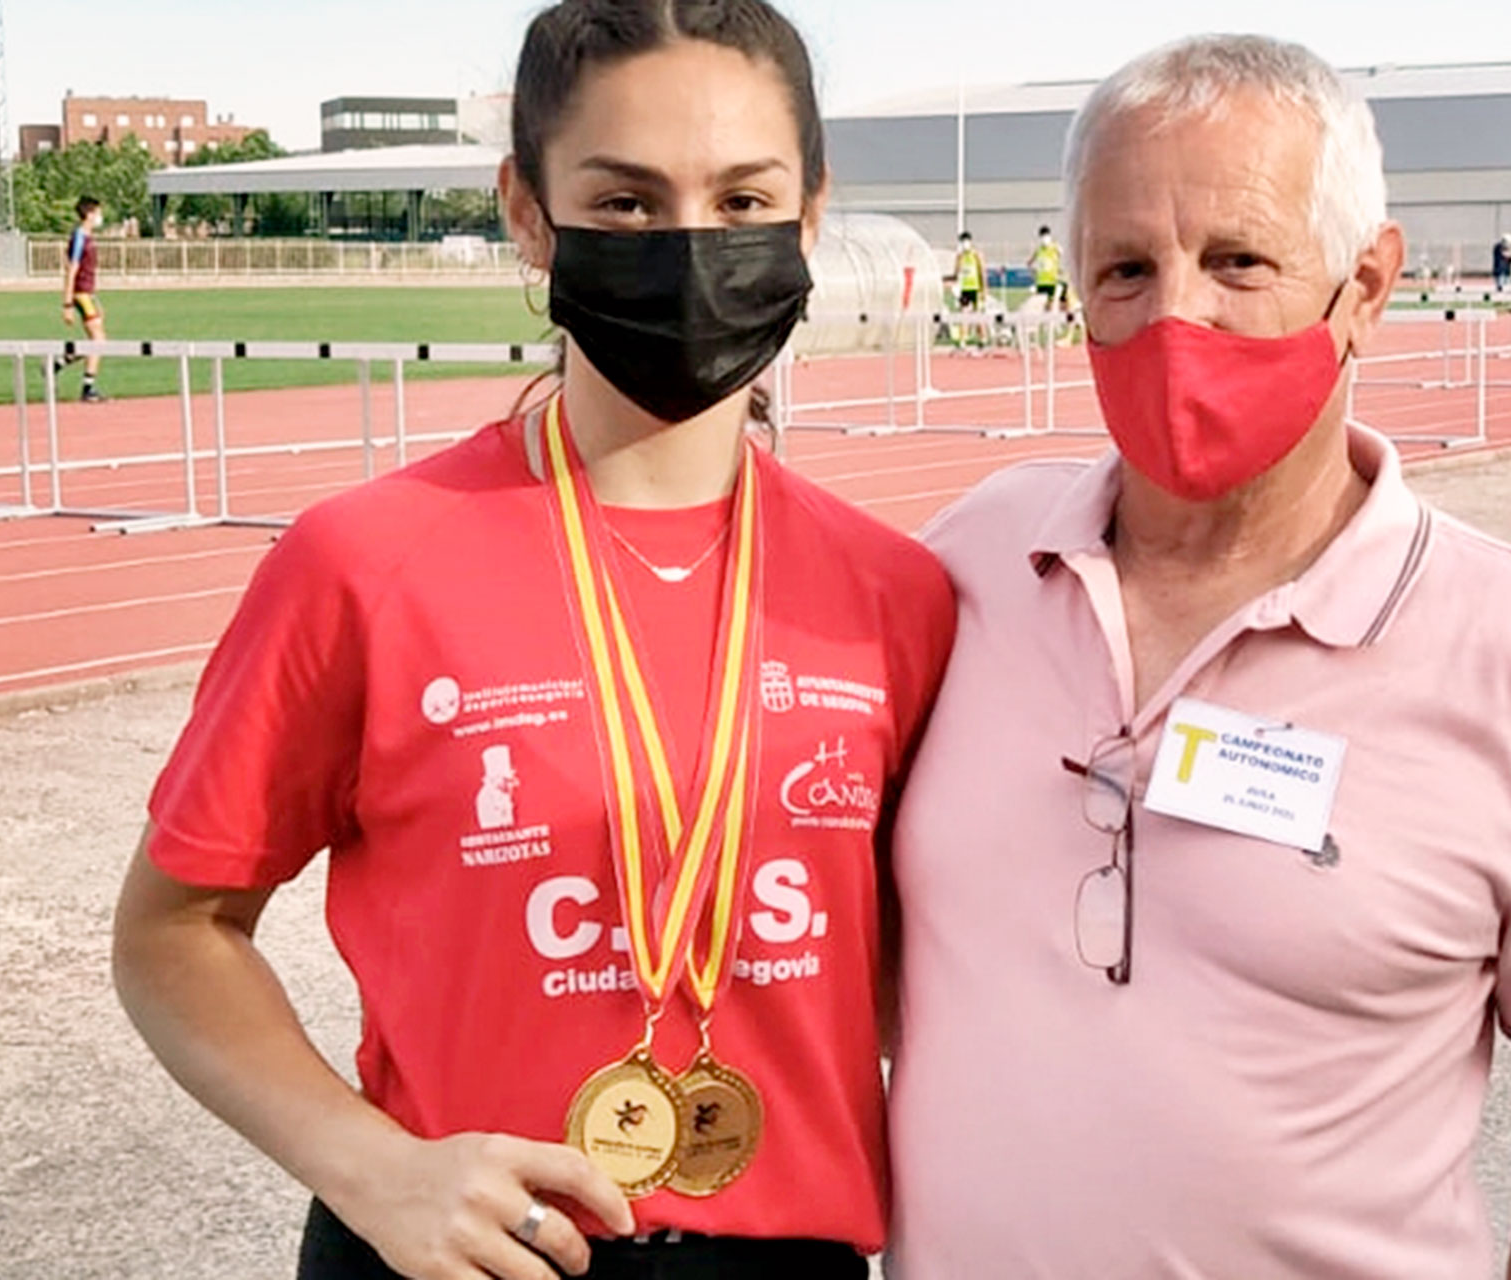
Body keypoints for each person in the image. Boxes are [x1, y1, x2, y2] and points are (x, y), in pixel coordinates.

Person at [110, 4, 955, 1280]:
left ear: (811, 211)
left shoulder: (897, 595)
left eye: (741, 202)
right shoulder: (364, 562)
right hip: (454, 1252)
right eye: (623, 203)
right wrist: (368, 1160)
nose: (687, 246)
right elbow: (173, 932)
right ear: (525, 207)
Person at [887, 34, 1511, 1280]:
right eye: (1126, 268)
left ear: (1365, 287)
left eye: (1238, 262)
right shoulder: (966, 563)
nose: (1175, 318)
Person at [58, 195, 107, 402]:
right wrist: (67, 303)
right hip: (80, 293)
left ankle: (60, 362)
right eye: (97, 213)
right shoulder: (79, 237)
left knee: (97, 339)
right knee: (99, 340)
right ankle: (88, 387)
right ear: (89, 214)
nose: (100, 217)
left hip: (87, 293)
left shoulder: (87, 237)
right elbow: (72, 269)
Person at [951, 230, 985, 349]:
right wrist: (954, 286)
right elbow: (956, 273)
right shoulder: (960, 257)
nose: (965, 244)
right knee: (964, 314)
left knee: (978, 315)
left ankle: (982, 338)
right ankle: (963, 339)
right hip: (965, 289)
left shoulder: (976, 255)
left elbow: (982, 272)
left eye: (966, 241)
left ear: (970, 242)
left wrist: (984, 289)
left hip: (975, 289)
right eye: (962, 242)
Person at [1027, 224, 1064, 310]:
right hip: (1041, 282)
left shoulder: (1056, 247)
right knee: (1039, 307)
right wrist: (1033, 272)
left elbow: (1064, 257)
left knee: (1050, 305)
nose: (1044, 238)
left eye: (1046, 235)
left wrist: (1060, 270)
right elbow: (1029, 263)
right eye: (1042, 236)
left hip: (1052, 281)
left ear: (1049, 236)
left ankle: (1051, 322)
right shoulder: (1039, 249)